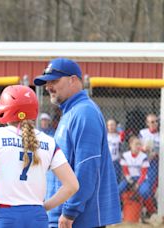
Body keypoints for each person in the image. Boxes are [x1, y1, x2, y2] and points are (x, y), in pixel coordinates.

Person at [0, 85, 79, 228]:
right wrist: (43, 207)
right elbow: (72, 185)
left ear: (6, 109)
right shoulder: (49, 141)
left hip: (3, 214)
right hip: (36, 216)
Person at [33, 57, 121, 228]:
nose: (48, 87)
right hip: (69, 216)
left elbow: (87, 168)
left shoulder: (84, 112)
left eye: (54, 81)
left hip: (80, 219)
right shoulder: (72, 111)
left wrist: (70, 212)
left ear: (73, 80)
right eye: (47, 82)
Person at [138, 113, 159, 219]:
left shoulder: (161, 134)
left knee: (151, 188)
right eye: (152, 122)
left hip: (155, 163)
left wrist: (157, 154)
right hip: (142, 163)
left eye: (156, 121)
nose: (155, 124)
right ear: (147, 123)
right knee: (143, 188)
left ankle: (150, 210)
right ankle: (147, 210)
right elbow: (136, 147)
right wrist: (143, 149)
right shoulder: (143, 133)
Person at [107, 119, 123, 183]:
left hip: (115, 161)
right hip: (106, 161)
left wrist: (119, 128)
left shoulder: (119, 136)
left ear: (116, 126)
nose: (111, 127)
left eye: (113, 125)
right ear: (107, 126)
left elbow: (123, 134)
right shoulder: (105, 136)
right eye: (109, 125)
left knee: (116, 178)